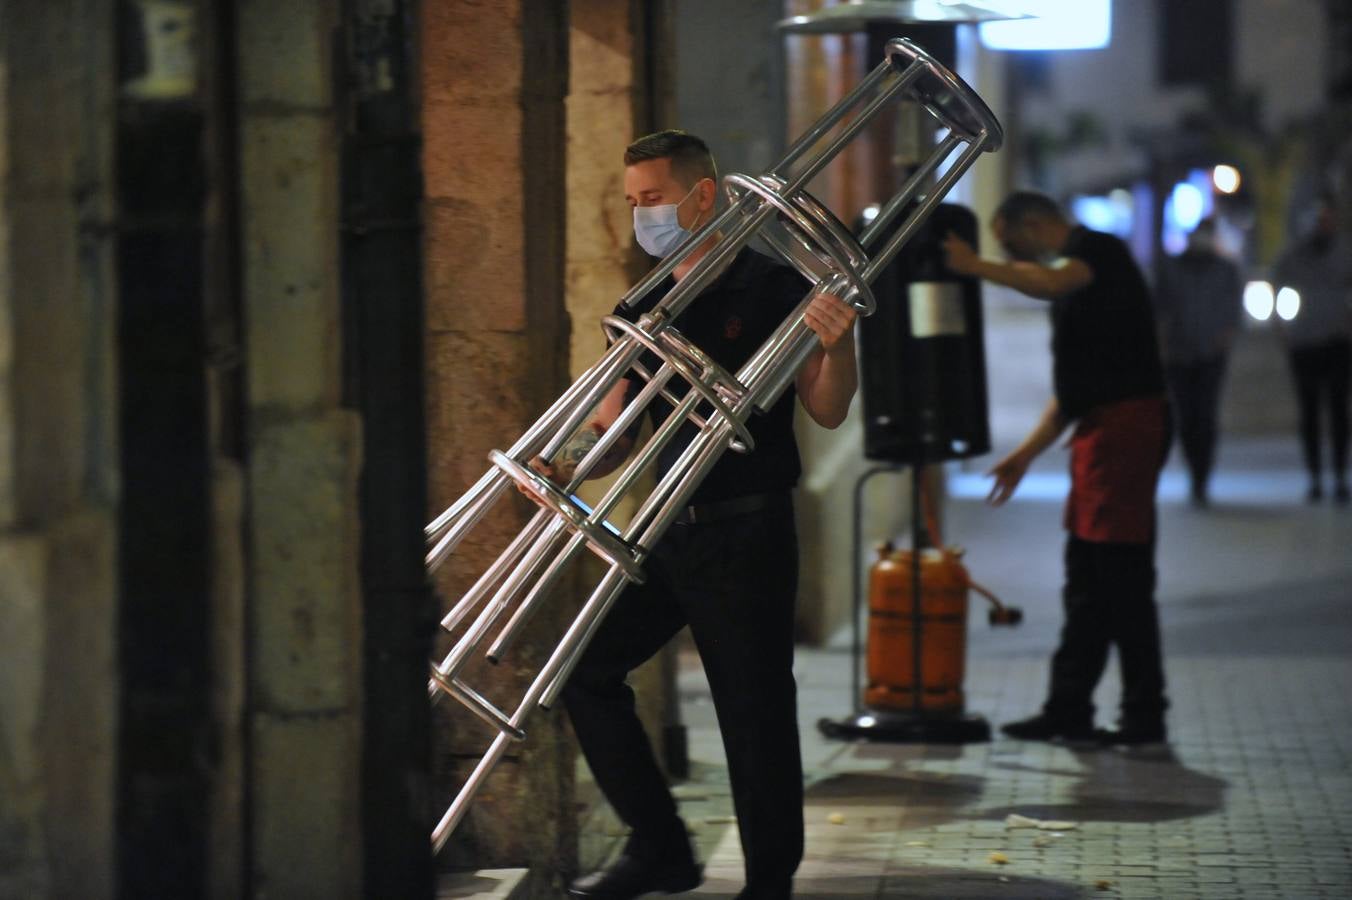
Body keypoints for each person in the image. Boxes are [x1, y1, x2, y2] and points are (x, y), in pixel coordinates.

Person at [546, 130, 859, 900]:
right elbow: (615, 424)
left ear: (703, 195)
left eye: (651, 199)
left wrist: (839, 346)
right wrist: (564, 467)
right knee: (586, 672)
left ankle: (767, 882)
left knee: (753, 712)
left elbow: (826, 409)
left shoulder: (774, 287)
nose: (641, 216)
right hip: (666, 529)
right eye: (632, 203)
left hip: (747, 529)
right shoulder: (647, 300)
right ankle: (661, 850)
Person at [942, 191, 1172, 746]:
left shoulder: (1099, 251)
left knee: (1120, 579)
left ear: (1037, 223)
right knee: (1087, 580)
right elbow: (1071, 393)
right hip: (1099, 435)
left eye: (1013, 243)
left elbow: (1051, 282)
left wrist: (975, 268)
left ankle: (1144, 713)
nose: (1015, 257)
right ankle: (1069, 707)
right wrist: (1024, 456)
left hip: (1126, 433)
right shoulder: (1077, 282)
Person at [1153, 218, 1243, 506]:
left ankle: (1202, 477)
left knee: (1205, 415)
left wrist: (1225, 336)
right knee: (1186, 417)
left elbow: (1233, 309)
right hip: (1179, 355)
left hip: (1211, 355)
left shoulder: (1225, 270)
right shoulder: (1171, 268)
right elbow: (1160, 308)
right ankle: (1195, 471)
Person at [1272, 195, 1352, 504]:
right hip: (1304, 343)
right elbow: (1278, 293)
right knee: (1310, 412)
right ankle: (1315, 476)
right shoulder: (1293, 256)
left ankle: (1340, 475)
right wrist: (1285, 331)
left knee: (1338, 411)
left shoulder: (1345, 252)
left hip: (1338, 341)